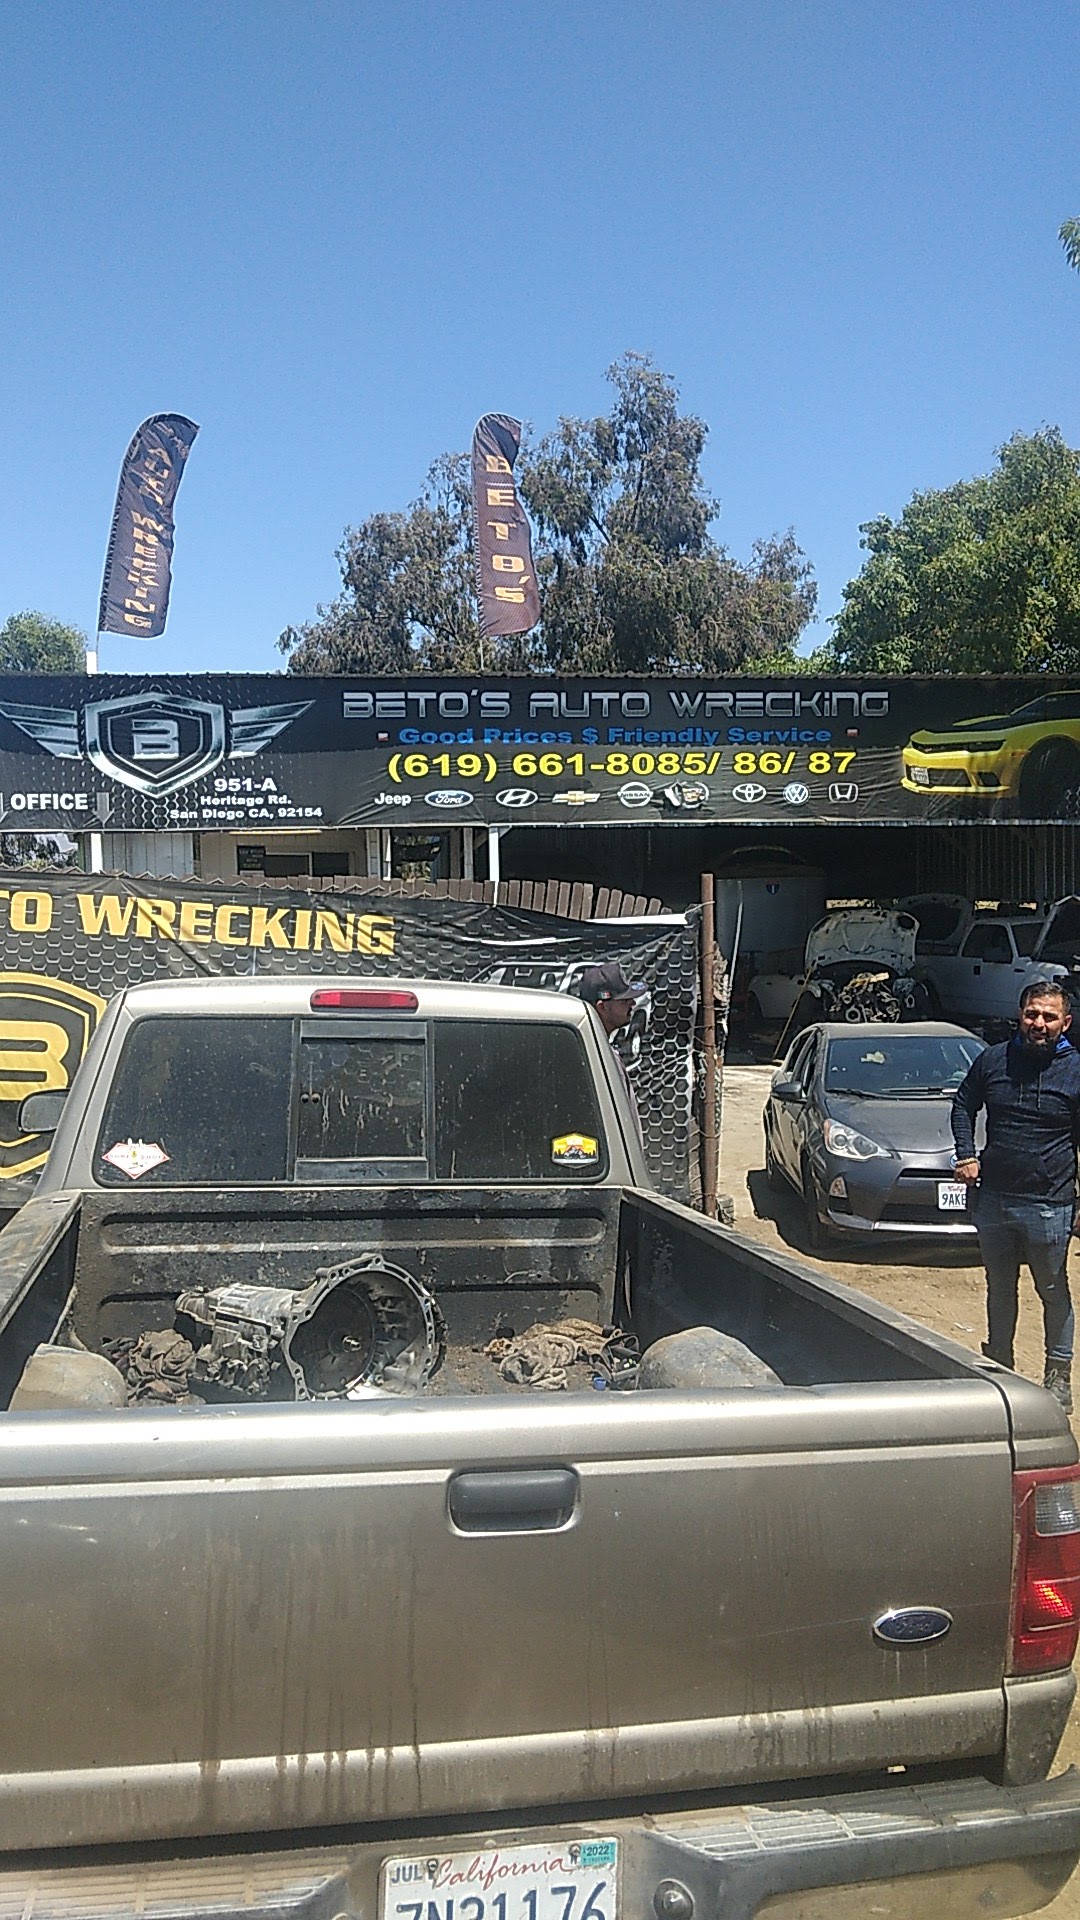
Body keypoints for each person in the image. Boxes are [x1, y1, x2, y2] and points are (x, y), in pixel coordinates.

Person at [951, 980, 1080, 1413]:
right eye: (1031, 1014)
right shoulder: (993, 1060)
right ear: (1019, 1015)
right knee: (1000, 1286)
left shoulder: (1075, 1071)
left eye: (1049, 1016)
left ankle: (1057, 1376)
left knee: (1052, 1290)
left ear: (1065, 1022)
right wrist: (966, 1154)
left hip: (1050, 1203)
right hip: (995, 1200)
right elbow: (963, 1104)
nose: (1038, 1023)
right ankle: (1000, 1367)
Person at [576, 961, 647, 1141]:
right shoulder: (591, 1055)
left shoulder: (600, 1049)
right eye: (624, 1000)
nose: (632, 1003)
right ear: (602, 1007)